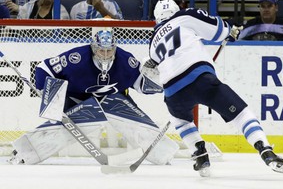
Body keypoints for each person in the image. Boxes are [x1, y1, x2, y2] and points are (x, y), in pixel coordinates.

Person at [143, 0, 283, 176]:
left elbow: (155, 66)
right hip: (199, 78)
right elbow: (217, 30)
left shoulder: (152, 42)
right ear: (176, 10)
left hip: (172, 91)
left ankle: (199, 153)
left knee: (180, 120)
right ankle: (266, 151)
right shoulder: (185, 16)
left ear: (157, 18)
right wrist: (230, 30)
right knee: (241, 114)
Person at [8, 29, 178, 166]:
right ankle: (26, 151)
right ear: (93, 48)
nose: (105, 54)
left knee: (119, 107)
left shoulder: (126, 61)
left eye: (109, 50)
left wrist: (158, 80)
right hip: (76, 99)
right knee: (68, 123)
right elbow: (43, 67)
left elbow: (142, 85)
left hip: (113, 99)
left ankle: (163, 153)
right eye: (101, 50)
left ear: (115, 48)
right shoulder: (76, 59)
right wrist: (47, 90)